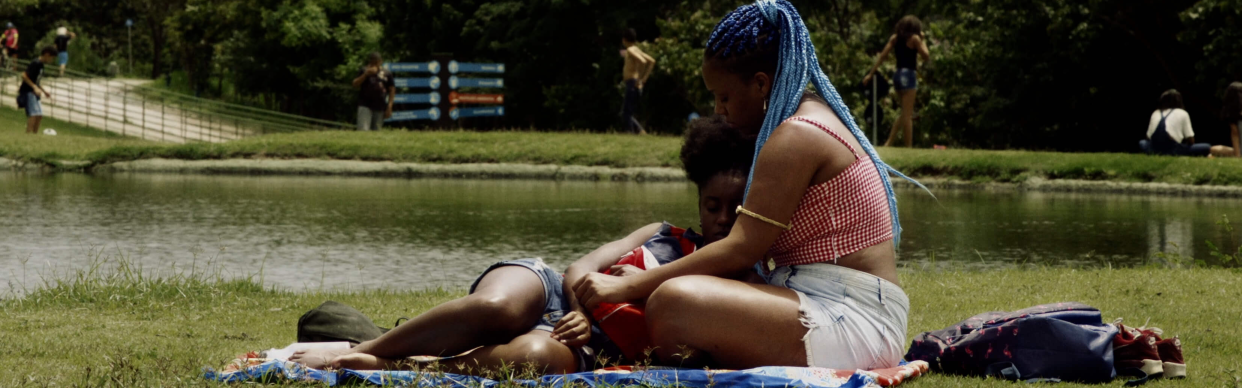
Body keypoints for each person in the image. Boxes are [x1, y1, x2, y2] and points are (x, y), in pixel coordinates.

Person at [573, 0, 917, 371]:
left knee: (671, 303)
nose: (718, 110)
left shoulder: (796, 136)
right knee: (675, 299)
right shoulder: (804, 115)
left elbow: (740, 248)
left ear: (760, 83)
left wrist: (629, 286)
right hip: (824, 303)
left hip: (853, 321)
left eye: (724, 97)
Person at [289, 116, 755, 374]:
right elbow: (582, 265)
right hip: (553, 292)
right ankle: (372, 345)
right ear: (698, 201)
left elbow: (690, 351)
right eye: (712, 204)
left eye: (735, 207)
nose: (721, 217)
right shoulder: (663, 233)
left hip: (589, 347)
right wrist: (581, 306)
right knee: (498, 307)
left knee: (534, 358)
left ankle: (402, 363)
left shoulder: (741, 278)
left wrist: (638, 292)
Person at [863, 15, 931, 148]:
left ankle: (889, 142)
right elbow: (926, 56)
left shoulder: (895, 38)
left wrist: (871, 74)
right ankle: (908, 147)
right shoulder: (915, 39)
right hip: (909, 74)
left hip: (898, 75)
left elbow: (883, 55)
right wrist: (923, 40)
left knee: (904, 112)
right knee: (908, 115)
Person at [1139, 89, 1219, 157]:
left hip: (1153, 149)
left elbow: (1148, 137)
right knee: (1206, 146)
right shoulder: (1182, 113)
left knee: (1142, 142)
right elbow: (1191, 140)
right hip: (1173, 150)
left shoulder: (1156, 112)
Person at [620, 28, 656, 134]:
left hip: (632, 83)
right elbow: (652, 61)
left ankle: (632, 133)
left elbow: (643, 61)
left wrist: (639, 79)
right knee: (628, 113)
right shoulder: (636, 48)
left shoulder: (630, 50)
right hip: (634, 84)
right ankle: (641, 132)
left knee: (626, 113)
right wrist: (644, 79)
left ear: (624, 39)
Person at [17, 46, 56, 134]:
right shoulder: (35, 63)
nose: (52, 60)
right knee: (34, 114)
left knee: (39, 115)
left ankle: (35, 134)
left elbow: (36, 81)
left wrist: (44, 91)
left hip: (34, 92)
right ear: (47, 54)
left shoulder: (41, 65)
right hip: (28, 91)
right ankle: (28, 134)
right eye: (52, 58)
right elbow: (24, 76)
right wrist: (34, 87)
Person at [352, 52, 395, 131]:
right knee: (363, 130)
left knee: (376, 131)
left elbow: (392, 89)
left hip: (380, 106)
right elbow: (355, 84)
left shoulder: (387, 73)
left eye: (376, 62)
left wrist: (389, 106)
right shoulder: (364, 70)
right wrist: (365, 74)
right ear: (370, 62)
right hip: (365, 105)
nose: (374, 64)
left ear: (380, 61)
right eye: (372, 62)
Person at [1218, 82, 1242, 158]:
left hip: (1240, 150)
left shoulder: (1232, 116)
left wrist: (1238, 155)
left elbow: (1235, 134)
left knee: (1212, 149)